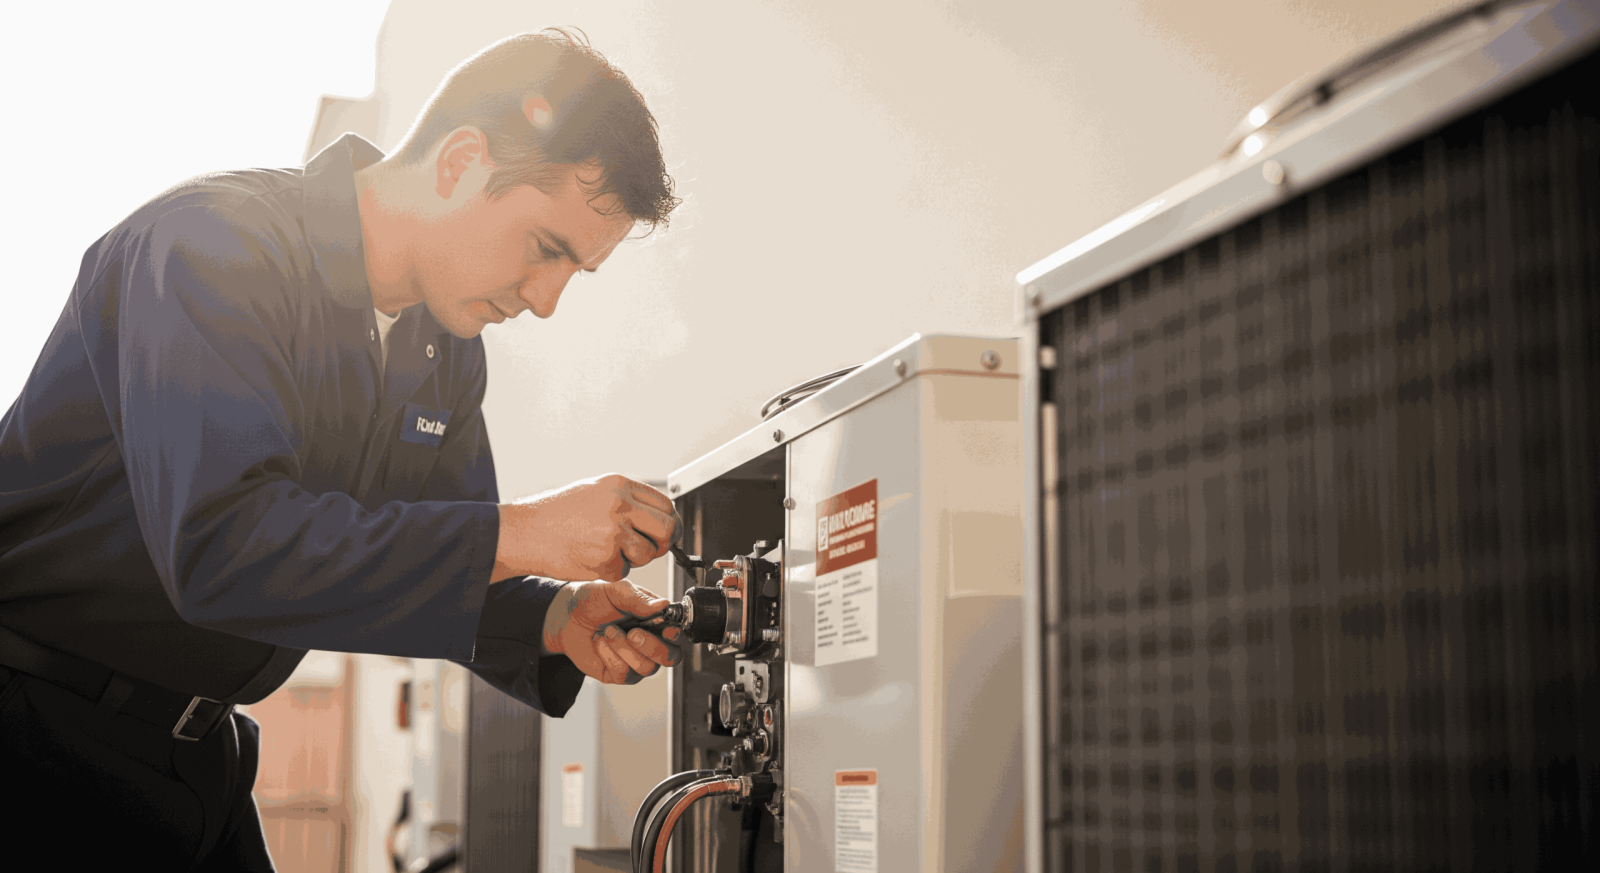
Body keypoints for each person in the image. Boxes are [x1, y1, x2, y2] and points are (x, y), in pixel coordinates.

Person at [0, 28, 681, 869]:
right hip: (35, 738)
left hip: (199, 751)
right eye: (546, 249)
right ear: (458, 161)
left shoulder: (444, 347)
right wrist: (525, 530)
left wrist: (554, 614)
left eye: (575, 272)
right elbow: (225, 548)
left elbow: (436, 551)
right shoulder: (212, 249)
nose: (545, 300)